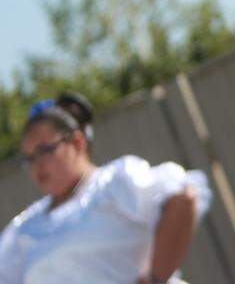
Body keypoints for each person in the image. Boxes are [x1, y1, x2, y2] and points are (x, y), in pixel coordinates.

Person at [0, 91, 212, 284]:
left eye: (45, 150)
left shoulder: (114, 182)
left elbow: (183, 198)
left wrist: (154, 279)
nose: (37, 164)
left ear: (77, 142)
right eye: (29, 158)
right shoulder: (25, 227)